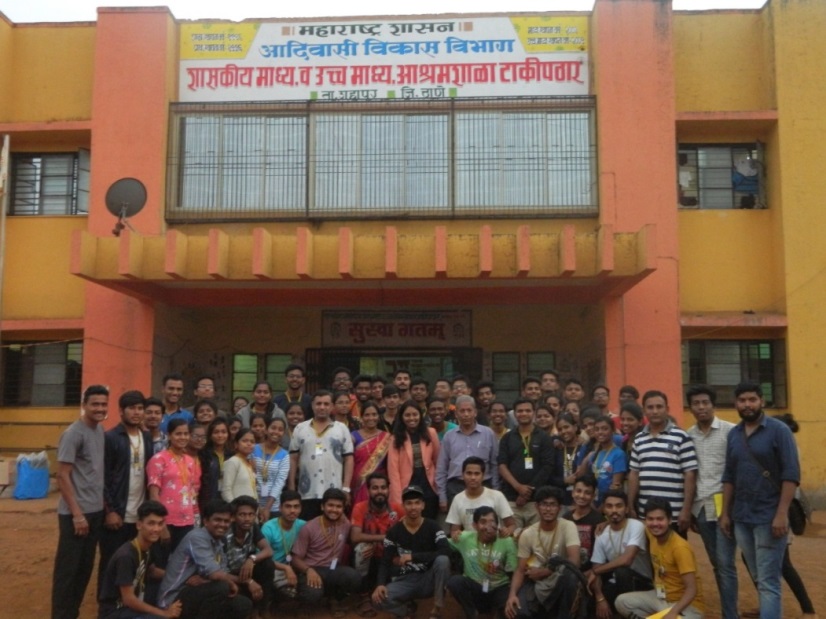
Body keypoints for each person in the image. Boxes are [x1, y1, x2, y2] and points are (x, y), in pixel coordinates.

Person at [720, 381, 800, 619]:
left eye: (752, 400)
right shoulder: (734, 435)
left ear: (761, 401)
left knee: (768, 581)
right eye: (742, 400)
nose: (747, 405)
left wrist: (781, 514)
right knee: (759, 576)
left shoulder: (779, 431)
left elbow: (791, 475)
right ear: (735, 403)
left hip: (769, 517)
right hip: (741, 517)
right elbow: (729, 476)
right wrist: (725, 513)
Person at [52, 384, 108, 619]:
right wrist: (77, 514)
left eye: (103, 404)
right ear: (84, 405)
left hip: (95, 512)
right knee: (68, 572)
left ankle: (71, 613)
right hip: (76, 515)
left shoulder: (99, 430)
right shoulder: (73, 434)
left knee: (84, 570)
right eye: (95, 404)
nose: (100, 408)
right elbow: (62, 475)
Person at [685, 384, 738, 619]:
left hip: (725, 507)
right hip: (702, 508)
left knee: (726, 563)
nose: (701, 407)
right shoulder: (688, 436)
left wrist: (729, 509)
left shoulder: (730, 431)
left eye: (705, 402)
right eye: (696, 403)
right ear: (691, 408)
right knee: (717, 562)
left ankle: (730, 614)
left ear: (713, 405)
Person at [157, 499, 254, 619]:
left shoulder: (218, 541)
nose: (222, 524)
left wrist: (206, 580)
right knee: (221, 588)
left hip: (195, 592)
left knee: (243, 604)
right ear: (206, 521)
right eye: (217, 520)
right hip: (173, 599)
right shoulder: (197, 537)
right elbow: (216, 575)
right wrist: (231, 582)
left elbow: (221, 573)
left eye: (226, 521)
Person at [99, 390, 154, 596]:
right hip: (118, 514)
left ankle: (131, 603)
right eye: (132, 408)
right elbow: (102, 477)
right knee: (110, 561)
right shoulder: (110, 438)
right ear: (121, 411)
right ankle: (106, 604)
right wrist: (110, 511)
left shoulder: (146, 438)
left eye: (140, 408)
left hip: (139, 514)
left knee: (136, 560)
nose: (137, 412)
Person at [615, 497, 705, 619]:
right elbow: (628, 523)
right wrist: (607, 523)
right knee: (622, 602)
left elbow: (692, 589)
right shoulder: (652, 534)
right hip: (660, 598)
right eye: (650, 519)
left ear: (669, 520)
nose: (655, 524)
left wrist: (673, 612)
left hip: (687, 606)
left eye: (660, 519)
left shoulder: (680, 548)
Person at [371, 485, 451, 619]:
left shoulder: (433, 526)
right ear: (403, 506)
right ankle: (406, 611)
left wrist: (414, 557)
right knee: (377, 600)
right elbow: (385, 561)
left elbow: (446, 551)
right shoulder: (394, 531)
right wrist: (380, 584)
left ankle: (437, 608)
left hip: (429, 579)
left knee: (443, 560)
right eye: (409, 503)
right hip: (405, 579)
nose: (413, 507)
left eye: (417, 503)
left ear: (423, 505)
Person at [504, 485, 582, 619]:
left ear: (559, 508)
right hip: (536, 581)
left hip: (560, 579)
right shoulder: (528, 534)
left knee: (570, 576)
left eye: (553, 505)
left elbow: (574, 561)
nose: (548, 509)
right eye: (544, 504)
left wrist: (546, 571)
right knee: (517, 610)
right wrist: (512, 595)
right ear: (537, 507)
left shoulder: (568, 526)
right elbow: (520, 570)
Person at [627, 390, 698, 535]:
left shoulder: (681, 437)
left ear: (667, 409)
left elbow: (690, 475)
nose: (655, 411)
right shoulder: (639, 439)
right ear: (644, 410)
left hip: (674, 514)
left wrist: (686, 510)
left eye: (659, 407)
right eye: (650, 407)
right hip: (646, 514)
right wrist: (630, 505)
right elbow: (634, 474)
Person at [97, 500, 183, 619]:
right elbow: (129, 600)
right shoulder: (126, 556)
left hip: (133, 605)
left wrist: (180, 577)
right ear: (139, 525)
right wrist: (163, 613)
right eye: (151, 523)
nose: (156, 529)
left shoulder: (147, 547)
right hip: (116, 612)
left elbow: (151, 571)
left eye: (160, 524)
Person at [291, 488, 362, 615]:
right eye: (330, 505)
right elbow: (295, 559)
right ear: (322, 507)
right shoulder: (309, 527)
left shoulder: (345, 524)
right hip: (312, 568)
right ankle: (303, 605)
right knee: (312, 594)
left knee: (353, 578)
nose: (334, 509)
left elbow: (355, 536)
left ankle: (333, 600)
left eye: (338, 506)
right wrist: (308, 570)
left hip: (333, 569)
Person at [288, 390, 355, 520]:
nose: (322, 407)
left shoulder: (341, 428)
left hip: (334, 492)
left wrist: (346, 487)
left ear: (332, 406)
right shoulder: (300, 428)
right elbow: (293, 458)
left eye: (326, 404)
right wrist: (291, 486)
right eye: (318, 404)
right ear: (312, 405)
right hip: (307, 492)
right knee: (307, 527)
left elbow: (348, 458)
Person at [588, 490, 653, 618]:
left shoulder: (636, 526)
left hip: (642, 582)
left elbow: (626, 560)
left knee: (622, 571)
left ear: (627, 509)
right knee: (592, 605)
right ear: (604, 510)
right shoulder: (601, 534)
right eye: (609, 506)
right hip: (616, 581)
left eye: (619, 506)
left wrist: (595, 571)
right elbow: (596, 569)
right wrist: (600, 598)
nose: (614, 510)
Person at [498, 398, 559, 534]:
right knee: (512, 538)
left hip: (537, 501)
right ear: (514, 414)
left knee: (536, 538)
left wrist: (526, 493)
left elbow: (547, 467)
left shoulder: (544, 437)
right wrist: (518, 487)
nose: (524, 413)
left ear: (533, 413)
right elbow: (502, 465)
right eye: (520, 411)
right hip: (511, 499)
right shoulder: (507, 437)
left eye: (527, 410)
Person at [446, 506, 519, 619]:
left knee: (512, 612)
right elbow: (441, 543)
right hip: (476, 588)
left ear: (497, 525)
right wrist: (454, 534)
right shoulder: (464, 538)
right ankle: (472, 614)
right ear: (475, 525)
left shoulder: (507, 541)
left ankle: (497, 612)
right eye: (483, 522)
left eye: (492, 522)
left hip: (499, 587)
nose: (488, 526)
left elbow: (513, 571)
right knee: (455, 581)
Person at [350, 473, 405, 614]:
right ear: (368, 491)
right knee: (361, 549)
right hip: (370, 558)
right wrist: (383, 538)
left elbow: (407, 536)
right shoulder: (360, 508)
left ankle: (401, 595)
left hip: (389, 557)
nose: (380, 491)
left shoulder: (397, 509)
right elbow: (355, 536)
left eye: (383, 487)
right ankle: (363, 596)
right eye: (375, 488)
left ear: (388, 490)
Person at [436, 395, 499, 512]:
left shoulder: (488, 433)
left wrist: (495, 491)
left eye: (469, 410)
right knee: (457, 523)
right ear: (456, 414)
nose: (466, 414)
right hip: (456, 487)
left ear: (475, 412)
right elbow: (442, 467)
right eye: (462, 411)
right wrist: (442, 496)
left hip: (483, 486)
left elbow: (494, 464)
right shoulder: (449, 436)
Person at [147, 418, 201, 552]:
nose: (183, 437)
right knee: (162, 560)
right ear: (169, 435)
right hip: (167, 521)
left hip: (188, 521)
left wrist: (196, 519)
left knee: (183, 560)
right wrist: (161, 524)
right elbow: (153, 495)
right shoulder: (158, 459)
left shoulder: (190, 461)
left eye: (186, 434)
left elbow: (192, 492)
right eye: (178, 434)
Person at [387, 399, 441, 518]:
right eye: (407, 415)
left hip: (429, 486)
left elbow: (438, 461)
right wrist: (397, 499)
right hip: (407, 488)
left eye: (415, 414)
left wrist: (440, 490)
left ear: (420, 415)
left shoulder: (431, 433)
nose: (412, 418)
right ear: (401, 417)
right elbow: (393, 471)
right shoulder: (396, 438)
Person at [225, 496, 275, 616]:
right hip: (228, 576)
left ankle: (262, 609)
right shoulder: (224, 533)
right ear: (233, 517)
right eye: (242, 515)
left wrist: (251, 559)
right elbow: (218, 572)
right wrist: (249, 581)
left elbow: (268, 550)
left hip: (244, 571)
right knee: (241, 604)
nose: (247, 519)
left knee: (268, 564)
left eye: (251, 514)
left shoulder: (253, 528)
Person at [447, 456, 515, 538]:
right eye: (469, 473)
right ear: (463, 475)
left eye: (477, 474)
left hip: (495, 543)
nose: (473, 477)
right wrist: (456, 535)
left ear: (483, 476)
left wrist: (507, 531)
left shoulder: (497, 496)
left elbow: (511, 525)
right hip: (470, 545)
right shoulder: (457, 499)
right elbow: (454, 531)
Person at [261, 489, 305, 599]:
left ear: (301, 508)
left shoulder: (304, 526)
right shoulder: (268, 527)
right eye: (288, 506)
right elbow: (261, 559)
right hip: (272, 568)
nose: (292, 510)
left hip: (294, 567)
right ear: (280, 508)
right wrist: (285, 568)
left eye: (296, 507)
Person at [580, 414, 627, 506]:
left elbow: (615, 486)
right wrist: (586, 459)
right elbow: (580, 475)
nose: (600, 432)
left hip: (607, 504)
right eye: (597, 429)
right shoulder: (596, 454)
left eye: (604, 429)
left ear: (613, 430)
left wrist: (602, 507)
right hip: (592, 501)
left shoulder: (618, 454)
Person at [351, 401, 392, 504]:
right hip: (358, 481)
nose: (371, 418)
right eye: (367, 415)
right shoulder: (352, 436)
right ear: (361, 417)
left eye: (374, 414)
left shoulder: (387, 437)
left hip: (380, 483)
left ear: (379, 416)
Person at [252, 417, 290, 521]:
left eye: (280, 429)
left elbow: (280, 482)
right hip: (252, 504)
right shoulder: (253, 449)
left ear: (284, 433)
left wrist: (267, 508)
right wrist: (257, 505)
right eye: (273, 428)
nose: (276, 432)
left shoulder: (284, 455)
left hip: (273, 506)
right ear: (266, 430)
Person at [563, 475, 604, 570]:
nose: (582, 496)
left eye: (587, 493)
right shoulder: (566, 518)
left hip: (591, 570)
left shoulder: (599, 520)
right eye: (578, 491)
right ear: (573, 493)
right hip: (568, 569)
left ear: (593, 496)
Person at [222, 428, 258, 503]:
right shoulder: (233, 462)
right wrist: (234, 507)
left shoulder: (249, 463)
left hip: (251, 507)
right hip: (237, 507)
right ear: (236, 444)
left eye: (252, 441)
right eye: (245, 441)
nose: (249, 444)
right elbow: (226, 490)